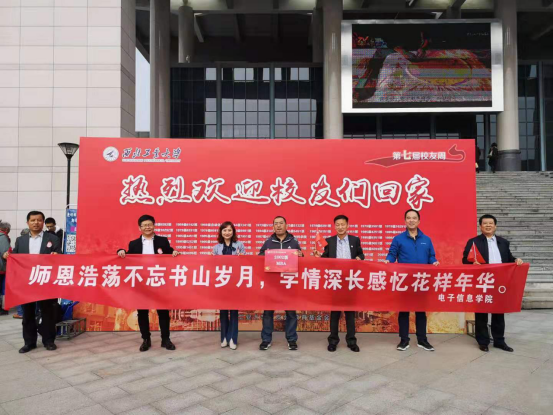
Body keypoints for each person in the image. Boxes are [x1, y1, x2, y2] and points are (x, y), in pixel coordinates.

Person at [117, 215, 180, 352]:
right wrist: (121, 251)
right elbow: (128, 256)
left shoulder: (163, 240)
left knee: (163, 311)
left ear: (154, 226)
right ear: (139, 228)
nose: (147, 227)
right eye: (144, 225)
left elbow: (170, 251)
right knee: (142, 312)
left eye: (150, 224)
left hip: (159, 280)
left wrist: (174, 252)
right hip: (142, 282)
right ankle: (146, 339)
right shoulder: (134, 244)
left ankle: (165, 339)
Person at [462, 214, 524, 353]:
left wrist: (516, 260)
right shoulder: (474, 242)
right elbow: (465, 260)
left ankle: (499, 341)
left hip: (500, 282)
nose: (488, 225)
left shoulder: (503, 242)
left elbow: (508, 258)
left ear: (495, 226)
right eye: (485, 223)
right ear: (480, 226)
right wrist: (472, 263)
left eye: (491, 223)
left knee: (499, 313)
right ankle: (483, 342)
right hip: (482, 282)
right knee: (481, 314)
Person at [2, 211, 61, 353]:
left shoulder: (53, 238)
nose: (36, 223)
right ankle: (29, 342)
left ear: (43, 222)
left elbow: (60, 255)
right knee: (28, 313)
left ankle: (49, 341)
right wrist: (8, 256)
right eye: (33, 220)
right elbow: (15, 256)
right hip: (26, 282)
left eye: (39, 220)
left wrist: (57, 255)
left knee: (47, 312)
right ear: (27, 222)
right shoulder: (20, 240)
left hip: (46, 281)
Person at [384, 209, 439, 352]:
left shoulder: (426, 239)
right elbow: (392, 254)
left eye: (414, 218)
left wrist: (434, 261)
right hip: (405, 281)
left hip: (421, 281)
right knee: (404, 311)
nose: (411, 220)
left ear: (419, 221)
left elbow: (431, 256)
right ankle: (404, 340)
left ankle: (422, 340)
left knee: (421, 312)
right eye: (408, 218)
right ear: (405, 221)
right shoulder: (398, 239)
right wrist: (388, 260)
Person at [314, 215, 364, 353]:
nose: (340, 227)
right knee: (335, 313)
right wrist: (318, 257)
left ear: (347, 225)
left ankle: (351, 341)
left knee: (350, 313)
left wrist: (359, 258)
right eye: (338, 225)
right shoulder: (329, 241)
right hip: (335, 280)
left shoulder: (355, 240)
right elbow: (325, 258)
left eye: (343, 224)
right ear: (334, 226)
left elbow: (361, 255)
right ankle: (333, 341)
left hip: (350, 280)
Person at [258, 216, 303, 351]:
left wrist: (301, 255)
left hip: (288, 284)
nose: (278, 226)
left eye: (281, 223)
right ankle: (266, 340)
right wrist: (266, 255)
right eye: (276, 224)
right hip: (272, 284)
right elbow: (259, 257)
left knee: (291, 313)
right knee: (268, 313)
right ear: (273, 227)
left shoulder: (293, 241)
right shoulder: (268, 242)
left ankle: (292, 339)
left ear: (286, 225)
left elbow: (301, 260)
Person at [211, 221, 246, 350]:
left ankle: (233, 339)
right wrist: (211, 259)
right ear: (221, 232)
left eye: (229, 230)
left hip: (235, 282)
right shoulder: (216, 247)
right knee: (223, 311)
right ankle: (224, 338)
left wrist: (242, 257)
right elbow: (213, 266)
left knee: (234, 311)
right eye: (224, 230)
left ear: (233, 232)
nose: (227, 232)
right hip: (222, 283)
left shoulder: (240, 245)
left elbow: (246, 263)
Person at [0, 221, 12, 315]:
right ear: (7, 229)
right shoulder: (3, 237)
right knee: (4, 289)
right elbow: (6, 253)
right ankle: (4, 308)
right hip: (2, 268)